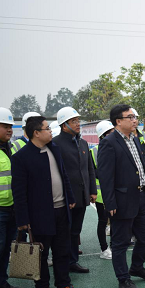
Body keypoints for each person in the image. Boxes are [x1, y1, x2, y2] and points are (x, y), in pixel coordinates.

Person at [12, 116, 82, 288]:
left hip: (61, 209)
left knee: (62, 250)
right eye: (47, 128)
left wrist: (70, 197)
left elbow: (63, 175)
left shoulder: (54, 149)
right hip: (40, 214)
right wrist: (22, 220)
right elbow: (18, 192)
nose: (51, 132)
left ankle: (63, 285)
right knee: (40, 253)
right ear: (36, 133)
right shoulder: (21, 157)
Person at [97, 104, 145, 288]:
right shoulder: (109, 142)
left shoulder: (136, 139)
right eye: (130, 117)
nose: (134, 120)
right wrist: (110, 202)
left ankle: (137, 267)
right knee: (121, 242)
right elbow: (105, 176)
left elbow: (141, 168)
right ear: (118, 121)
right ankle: (124, 279)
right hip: (122, 200)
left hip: (141, 196)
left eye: (134, 117)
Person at [53, 107, 96, 274]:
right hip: (64, 198)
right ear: (64, 125)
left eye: (78, 120)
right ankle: (63, 261)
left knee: (75, 231)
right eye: (73, 121)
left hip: (82, 196)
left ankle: (72, 261)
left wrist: (92, 190)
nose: (78, 124)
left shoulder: (83, 143)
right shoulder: (55, 144)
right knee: (64, 231)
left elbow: (89, 169)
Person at [0, 107, 23, 288]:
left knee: (6, 249)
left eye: (11, 126)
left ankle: (1, 283)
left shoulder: (13, 147)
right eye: (5, 126)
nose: (9, 130)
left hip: (12, 208)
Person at [90, 120, 114, 260]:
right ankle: (104, 248)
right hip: (101, 194)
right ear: (103, 135)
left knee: (116, 221)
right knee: (103, 221)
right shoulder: (93, 151)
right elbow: (93, 172)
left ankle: (114, 246)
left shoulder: (117, 148)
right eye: (111, 133)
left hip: (115, 192)